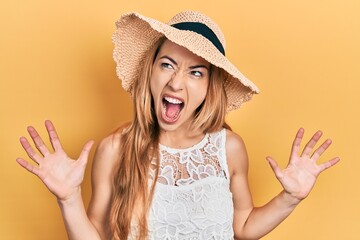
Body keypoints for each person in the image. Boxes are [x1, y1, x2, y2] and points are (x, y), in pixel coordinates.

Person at [16, 10, 340, 240]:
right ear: (151, 71)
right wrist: (68, 199)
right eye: (167, 65)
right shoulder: (115, 149)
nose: (176, 83)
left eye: (195, 72)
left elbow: (242, 226)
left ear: (210, 87)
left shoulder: (229, 148)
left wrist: (290, 198)